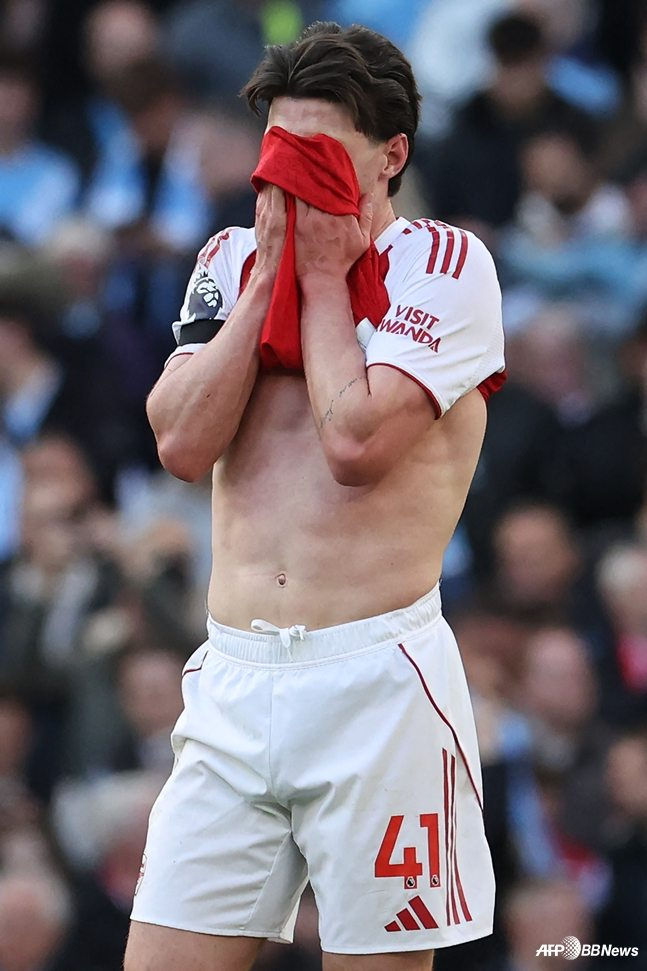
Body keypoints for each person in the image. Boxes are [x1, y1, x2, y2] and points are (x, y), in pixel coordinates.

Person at [125, 21, 506, 971]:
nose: (289, 181)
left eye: (319, 157)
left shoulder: (446, 268)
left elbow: (355, 440)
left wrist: (327, 275)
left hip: (375, 683)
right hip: (233, 679)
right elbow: (177, 439)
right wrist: (267, 283)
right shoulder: (227, 257)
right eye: (277, 156)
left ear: (390, 156)